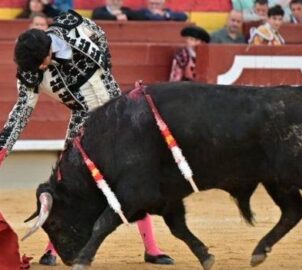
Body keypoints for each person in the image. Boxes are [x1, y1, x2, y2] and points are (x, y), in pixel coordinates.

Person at [0, 10, 173, 266]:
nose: (40, 69)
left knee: (133, 179)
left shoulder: (73, 24)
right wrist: (2, 150)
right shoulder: (30, 71)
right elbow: (21, 112)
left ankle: (152, 248)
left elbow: (101, 39)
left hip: (117, 112)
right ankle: (53, 250)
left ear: (48, 49)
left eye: (42, 63)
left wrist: (107, 79)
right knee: (69, 185)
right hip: (83, 119)